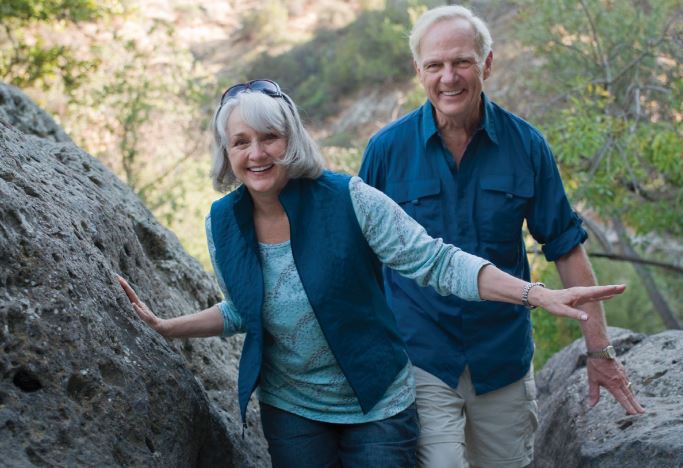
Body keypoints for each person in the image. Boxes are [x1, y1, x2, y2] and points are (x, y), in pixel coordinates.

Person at [118, 79, 625, 468]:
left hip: (378, 401)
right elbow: (245, 309)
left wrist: (533, 293)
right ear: (226, 153)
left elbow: (437, 260)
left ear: (290, 140)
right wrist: (167, 326)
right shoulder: (223, 222)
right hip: (292, 409)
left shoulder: (349, 199)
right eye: (241, 142)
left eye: (269, 137)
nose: (256, 154)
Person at [358, 5, 644, 468]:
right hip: (420, 356)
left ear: (487, 64)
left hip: (503, 360)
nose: (448, 78)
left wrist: (600, 349)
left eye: (462, 62)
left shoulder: (526, 146)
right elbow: (360, 259)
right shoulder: (386, 152)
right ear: (419, 71)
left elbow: (566, 249)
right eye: (435, 65)